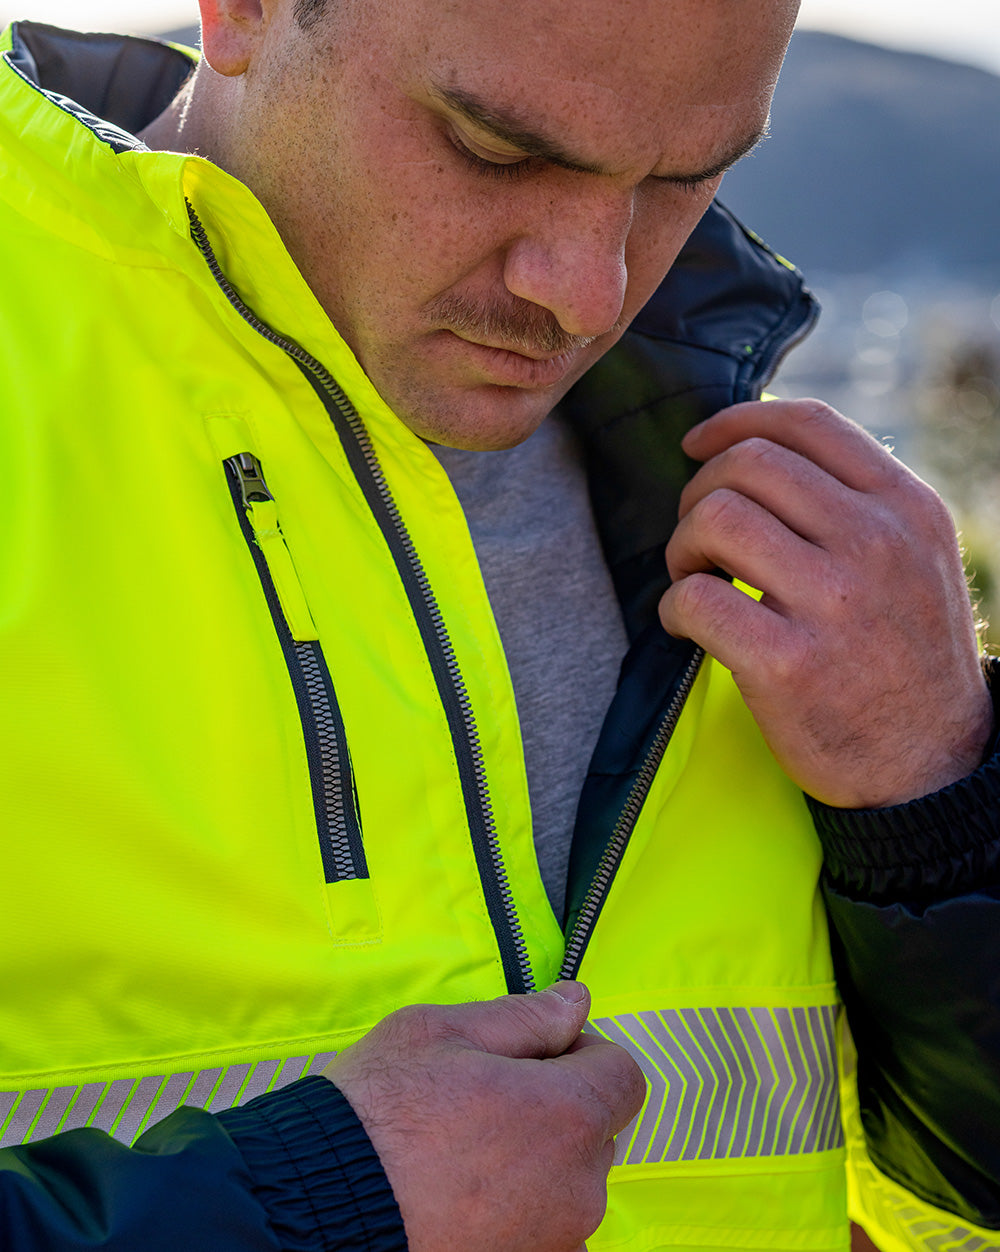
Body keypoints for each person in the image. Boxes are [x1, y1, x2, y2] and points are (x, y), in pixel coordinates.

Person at [0, 0, 998, 1249]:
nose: (586, 293)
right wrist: (307, 1215)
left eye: (683, 180)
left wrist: (942, 821)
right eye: (493, 151)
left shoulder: (770, 526)